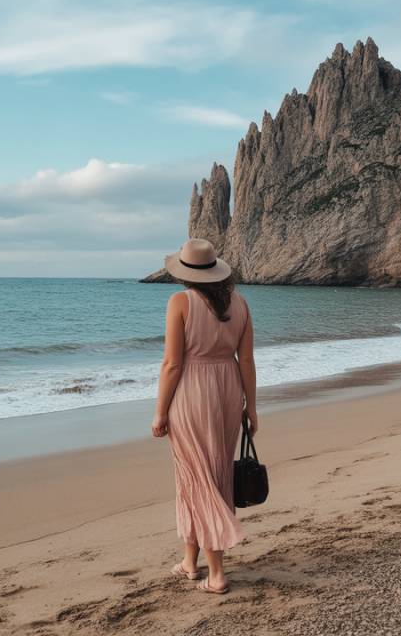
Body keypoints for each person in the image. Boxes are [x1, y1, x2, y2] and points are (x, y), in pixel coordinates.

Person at [151, 237, 258, 595]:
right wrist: (251, 406)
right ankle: (189, 562)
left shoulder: (180, 302)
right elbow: (247, 360)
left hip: (192, 392)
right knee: (208, 473)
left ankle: (216, 574)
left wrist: (160, 412)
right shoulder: (240, 303)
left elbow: (172, 363)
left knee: (198, 477)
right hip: (228, 390)